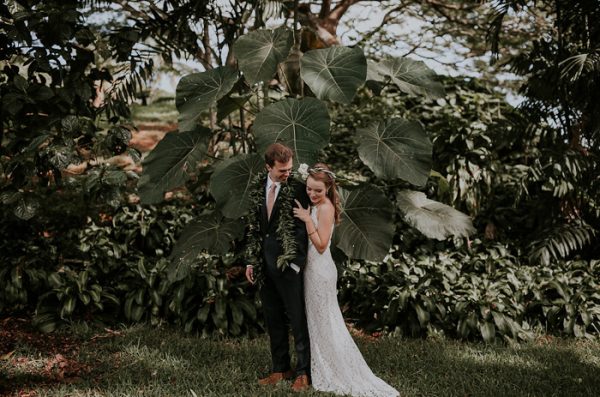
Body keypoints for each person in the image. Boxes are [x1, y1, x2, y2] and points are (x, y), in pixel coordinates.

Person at [292, 163, 399, 397]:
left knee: (326, 321)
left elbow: (320, 245)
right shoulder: (316, 204)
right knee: (319, 320)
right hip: (312, 270)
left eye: (318, 190)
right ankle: (319, 363)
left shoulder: (326, 208)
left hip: (320, 271)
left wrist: (306, 220)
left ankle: (334, 367)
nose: (312, 194)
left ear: (329, 188)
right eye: (309, 189)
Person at [244, 143, 312, 392]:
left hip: (288, 265)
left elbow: (304, 227)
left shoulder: (297, 188)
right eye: (282, 170)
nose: (287, 174)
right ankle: (280, 368)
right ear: (268, 167)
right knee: (273, 318)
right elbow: (254, 226)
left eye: (290, 169)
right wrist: (252, 260)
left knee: (297, 319)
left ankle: (304, 372)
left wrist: (296, 263)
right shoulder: (258, 186)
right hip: (264, 264)